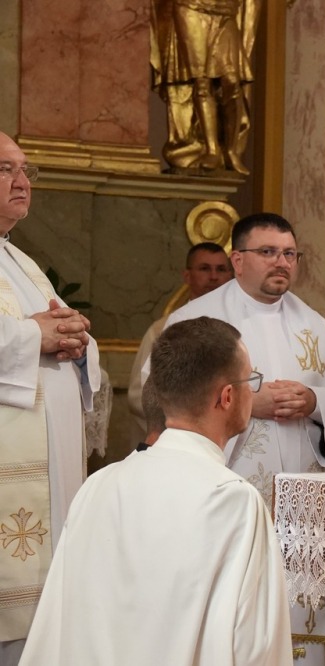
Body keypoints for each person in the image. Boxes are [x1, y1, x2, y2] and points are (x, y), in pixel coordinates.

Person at [161, 212, 325, 663]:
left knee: (296, 624)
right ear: (238, 260)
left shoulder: (314, 326)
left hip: (301, 505)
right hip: (226, 495)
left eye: (290, 254)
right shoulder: (197, 320)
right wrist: (245, 403)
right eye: (269, 252)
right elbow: (160, 394)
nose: (282, 262)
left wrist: (314, 401)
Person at [21, 317, 292, 665]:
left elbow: (55, 623)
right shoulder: (232, 501)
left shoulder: (99, 485)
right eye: (250, 381)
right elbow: (257, 646)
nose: (252, 392)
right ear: (227, 397)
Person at [0, 131, 100, 664]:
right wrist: (33, 336)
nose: (22, 182)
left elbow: (56, 326)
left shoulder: (20, 260)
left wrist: (78, 341)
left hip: (51, 465)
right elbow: (30, 332)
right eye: (5, 169)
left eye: (26, 170)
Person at [127, 241, 232, 440]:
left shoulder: (241, 327)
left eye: (221, 269)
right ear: (187, 276)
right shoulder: (163, 329)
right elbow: (138, 393)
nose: (214, 276)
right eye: (204, 269)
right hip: (180, 438)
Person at [150, 0, 260, 174]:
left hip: (226, 10)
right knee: (201, 83)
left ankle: (231, 150)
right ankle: (212, 150)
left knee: (232, 81)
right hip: (190, 8)